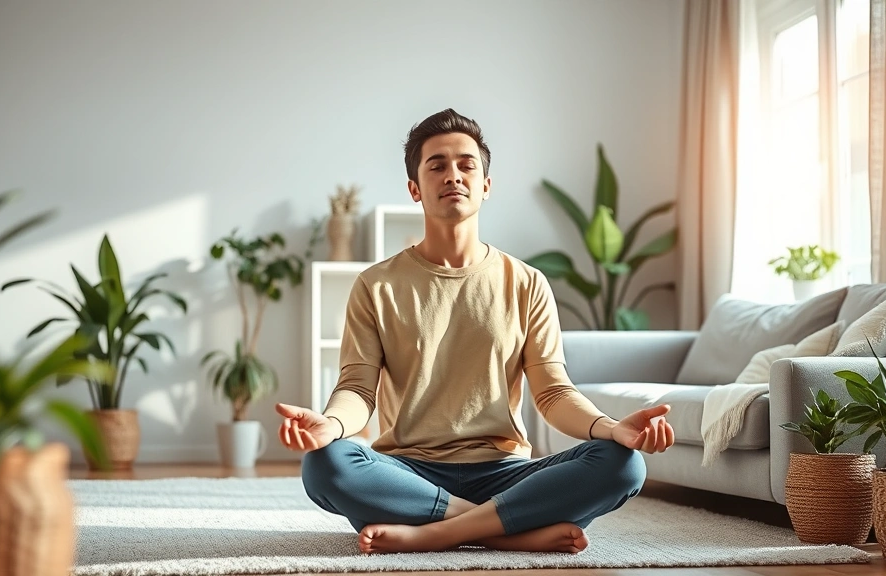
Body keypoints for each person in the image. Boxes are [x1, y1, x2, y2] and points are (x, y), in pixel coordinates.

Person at [275, 108, 675, 555]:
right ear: (415, 189)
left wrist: (611, 427)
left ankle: (437, 533)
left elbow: (553, 393)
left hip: (506, 473)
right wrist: (330, 425)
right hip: (409, 474)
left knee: (623, 465)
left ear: (485, 185)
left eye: (467, 165)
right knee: (326, 464)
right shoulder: (376, 284)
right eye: (437, 166)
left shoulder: (526, 282)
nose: (453, 176)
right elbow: (357, 389)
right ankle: (506, 530)